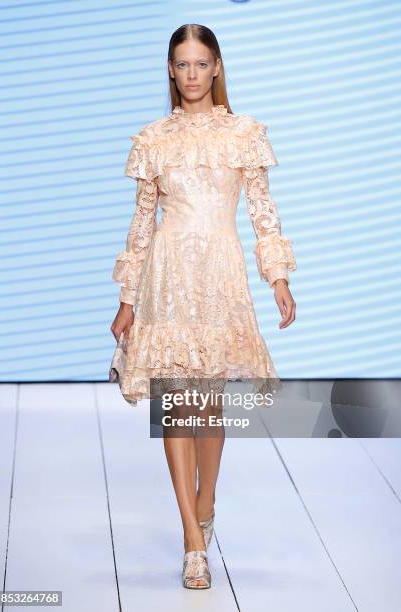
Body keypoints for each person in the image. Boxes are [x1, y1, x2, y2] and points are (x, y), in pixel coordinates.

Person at [110, 23, 297, 589]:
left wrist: (279, 277)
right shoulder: (153, 138)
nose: (191, 74)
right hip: (166, 277)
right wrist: (126, 298)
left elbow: (264, 212)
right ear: (171, 70)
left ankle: (206, 500)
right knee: (175, 406)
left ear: (216, 67)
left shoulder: (244, 134)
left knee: (207, 409)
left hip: (219, 276)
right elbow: (143, 222)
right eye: (181, 64)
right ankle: (193, 538)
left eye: (201, 63)